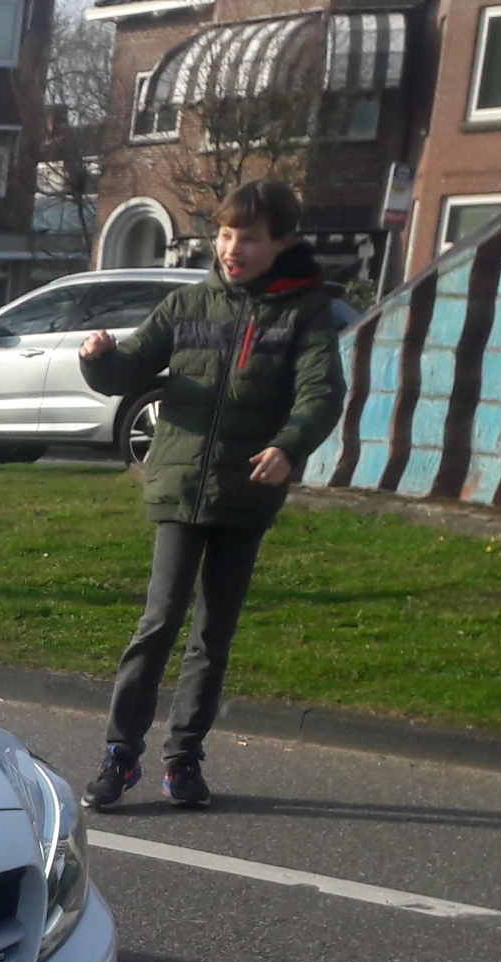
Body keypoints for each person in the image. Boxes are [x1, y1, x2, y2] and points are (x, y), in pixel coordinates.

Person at [76, 179, 342, 810]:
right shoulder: (190, 305)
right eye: (225, 234)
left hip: (245, 491)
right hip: (182, 482)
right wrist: (99, 359)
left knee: (212, 633)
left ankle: (184, 758)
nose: (232, 248)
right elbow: (132, 364)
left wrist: (290, 445)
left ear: (282, 241)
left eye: (248, 237)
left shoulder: (303, 313)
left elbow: (321, 393)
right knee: (160, 619)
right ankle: (120, 754)